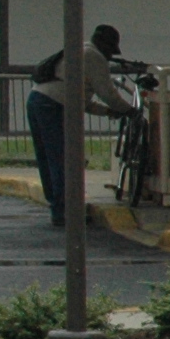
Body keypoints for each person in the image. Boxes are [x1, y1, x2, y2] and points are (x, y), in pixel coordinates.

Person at [29, 23, 140, 228]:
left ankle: (58, 208)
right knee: (64, 159)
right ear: (104, 45)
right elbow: (108, 93)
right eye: (110, 51)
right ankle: (66, 212)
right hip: (55, 106)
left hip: (38, 100)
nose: (109, 56)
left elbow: (83, 101)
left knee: (48, 158)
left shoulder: (80, 50)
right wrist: (130, 110)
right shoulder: (94, 57)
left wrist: (107, 112)